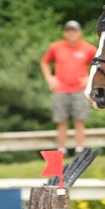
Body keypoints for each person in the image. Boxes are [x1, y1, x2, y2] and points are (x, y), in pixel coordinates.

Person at [40, 20, 97, 156]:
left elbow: (99, 64)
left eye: (74, 30)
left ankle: (79, 149)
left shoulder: (88, 48)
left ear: (80, 32)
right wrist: (50, 78)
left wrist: (89, 78)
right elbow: (44, 62)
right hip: (61, 89)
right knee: (61, 121)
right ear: (65, 33)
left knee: (80, 120)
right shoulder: (56, 47)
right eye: (69, 31)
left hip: (79, 89)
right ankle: (62, 149)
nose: (71, 33)